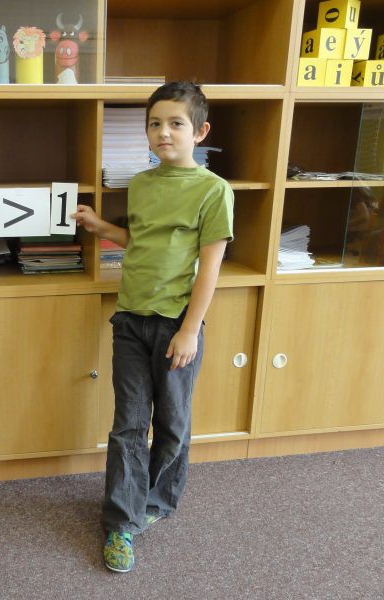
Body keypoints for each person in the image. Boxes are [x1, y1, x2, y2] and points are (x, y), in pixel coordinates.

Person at [74, 81, 234, 573]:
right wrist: (102, 227)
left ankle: (157, 500)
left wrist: (190, 330)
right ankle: (121, 521)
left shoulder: (214, 190)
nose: (164, 132)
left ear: (200, 132)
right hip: (130, 319)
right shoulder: (141, 184)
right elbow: (141, 239)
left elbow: (210, 267)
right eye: (155, 124)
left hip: (177, 325)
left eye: (176, 124)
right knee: (128, 423)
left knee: (172, 421)